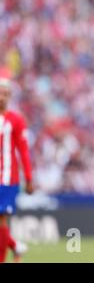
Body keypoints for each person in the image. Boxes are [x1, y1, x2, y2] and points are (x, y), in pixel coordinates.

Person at [0, 77, 34, 263]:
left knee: (2, 219)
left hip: (7, 179)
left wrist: (28, 178)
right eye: (0, 93)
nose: (2, 97)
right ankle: (14, 246)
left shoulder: (15, 119)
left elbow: (23, 150)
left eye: (6, 94)